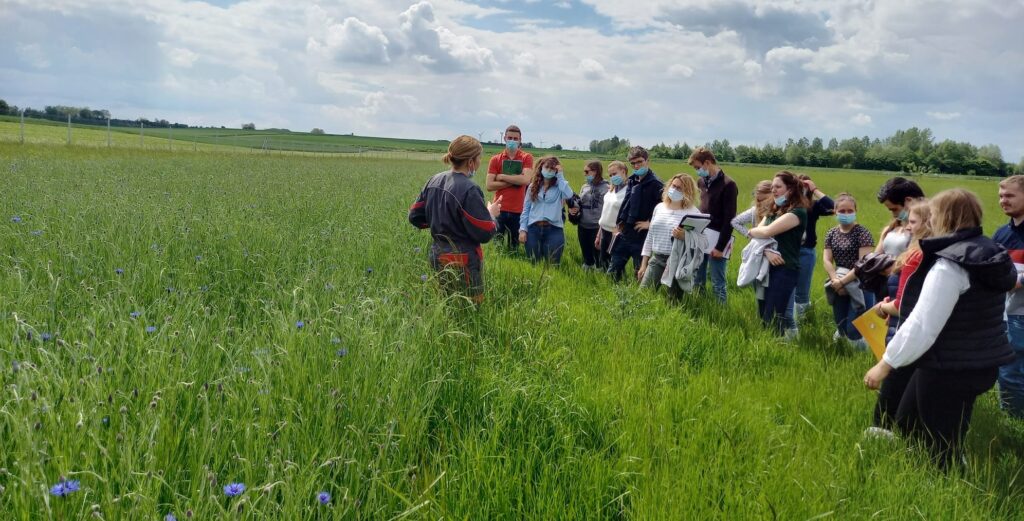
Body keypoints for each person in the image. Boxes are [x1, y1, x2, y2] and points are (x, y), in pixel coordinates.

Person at [863, 189, 1016, 470]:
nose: (929, 222)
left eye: (932, 215)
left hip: (948, 367)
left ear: (946, 218)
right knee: (909, 420)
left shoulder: (950, 265)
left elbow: (924, 323)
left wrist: (885, 364)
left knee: (940, 445)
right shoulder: (991, 252)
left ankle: (949, 484)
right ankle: (930, 470)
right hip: (980, 362)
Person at [409, 135, 502, 304]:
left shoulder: (434, 180)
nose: (481, 162)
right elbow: (484, 232)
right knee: (471, 308)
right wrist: (491, 214)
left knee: (446, 304)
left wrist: (439, 221)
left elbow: (415, 216)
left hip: (437, 255)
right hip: (463, 260)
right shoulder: (469, 189)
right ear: (470, 162)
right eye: (479, 158)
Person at [867, 198, 931, 435]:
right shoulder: (927, 252)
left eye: (912, 221)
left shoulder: (916, 255)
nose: (908, 227)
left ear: (927, 223)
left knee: (893, 382)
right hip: (912, 326)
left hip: (904, 326)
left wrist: (884, 308)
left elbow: (905, 303)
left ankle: (883, 432)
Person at [748, 171, 809, 335]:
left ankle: (778, 344)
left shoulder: (797, 213)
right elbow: (756, 233)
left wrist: (756, 231)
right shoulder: (773, 211)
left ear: (790, 189)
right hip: (765, 265)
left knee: (774, 315)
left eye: (778, 187)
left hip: (784, 268)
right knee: (762, 312)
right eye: (773, 186)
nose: (773, 190)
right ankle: (768, 345)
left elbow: (765, 231)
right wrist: (766, 250)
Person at [637, 174, 703, 298]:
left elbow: (701, 242)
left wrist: (685, 236)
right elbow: (650, 236)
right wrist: (643, 264)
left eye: (680, 188)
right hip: (657, 259)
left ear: (687, 192)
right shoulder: (659, 208)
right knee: (643, 295)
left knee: (673, 301)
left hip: (678, 261)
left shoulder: (693, 213)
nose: (675, 190)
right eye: (673, 186)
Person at [822, 193, 875, 343]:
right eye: (842, 211)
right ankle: (846, 351)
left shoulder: (862, 233)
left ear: (855, 211)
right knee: (841, 326)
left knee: (855, 330)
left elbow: (863, 264)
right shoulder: (831, 233)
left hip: (860, 283)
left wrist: (843, 282)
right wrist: (835, 280)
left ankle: (865, 348)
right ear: (835, 211)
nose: (846, 214)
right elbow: (826, 259)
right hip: (838, 281)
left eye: (850, 211)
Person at [689, 147, 738, 303]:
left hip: (718, 239)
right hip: (701, 236)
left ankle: (720, 312)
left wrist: (720, 246)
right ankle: (699, 306)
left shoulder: (728, 184)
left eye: (698, 167)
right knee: (698, 277)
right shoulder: (701, 181)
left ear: (708, 163)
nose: (697, 171)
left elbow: (730, 218)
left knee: (717, 281)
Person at [993, 175, 1024, 418]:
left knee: (1012, 374)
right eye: (1001, 195)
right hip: (1004, 313)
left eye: (1010, 195)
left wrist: (1017, 281)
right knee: (1007, 372)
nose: (1004, 200)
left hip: (1020, 316)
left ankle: (1014, 425)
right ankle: (1011, 423)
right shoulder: (1001, 234)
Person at [610, 146, 664, 281]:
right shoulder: (632, 180)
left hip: (642, 236)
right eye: (633, 163)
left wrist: (650, 223)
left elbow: (665, 209)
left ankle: (638, 299)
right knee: (613, 271)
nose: (636, 165)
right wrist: (620, 222)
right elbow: (626, 203)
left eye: (639, 161)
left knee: (639, 273)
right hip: (626, 231)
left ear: (647, 161)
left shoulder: (656, 184)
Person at [790, 174, 834, 321]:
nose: (801, 189)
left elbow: (834, 207)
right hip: (787, 250)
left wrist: (814, 189)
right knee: (787, 287)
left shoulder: (813, 206)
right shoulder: (787, 205)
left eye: (804, 187)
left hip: (805, 252)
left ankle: (802, 321)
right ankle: (788, 319)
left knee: (802, 289)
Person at [486, 125, 534, 253]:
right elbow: (489, 185)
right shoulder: (495, 159)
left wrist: (502, 177)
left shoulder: (526, 157)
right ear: (504, 138)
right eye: (510, 138)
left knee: (514, 248)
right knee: (498, 248)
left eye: (515, 138)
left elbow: (526, 180)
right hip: (499, 209)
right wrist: (515, 181)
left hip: (519, 210)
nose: (512, 141)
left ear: (520, 140)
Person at [519, 156, 573, 265]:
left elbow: (569, 194)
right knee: (534, 263)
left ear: (556, 170)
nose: (549, 170)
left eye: (552, 168)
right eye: (546, 167)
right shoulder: (532, 187)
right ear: (541, 168)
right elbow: (526, 209)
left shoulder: (560, 187)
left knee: (553, 264)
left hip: (554, 229)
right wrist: (523, 229)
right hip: (533, 229)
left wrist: (560, 176)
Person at [572, 160, 609, 270]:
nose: (585, 174)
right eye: (584, 172)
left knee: (599, 256)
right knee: (586, 255)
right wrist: (573, 208)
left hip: (597, 227)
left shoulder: (606, 187)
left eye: (587, 172)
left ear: (596, 171)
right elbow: (579, 202)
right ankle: (587, 275)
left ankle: (601, 276)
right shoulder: (585, 187)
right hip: (583, 225)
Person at [875, 177, 926, 258]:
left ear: (909, 201)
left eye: (895, 209)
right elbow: (874, 259)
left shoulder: (926, 231)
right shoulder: (889, 230)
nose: (894, 215)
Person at [596, 161, 628, 271]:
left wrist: (621, 229)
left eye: (614, 174)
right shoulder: (611, 189)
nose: (612, 177)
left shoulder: (628, 191)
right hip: (604, 231)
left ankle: (618, 287)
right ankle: (606, 285)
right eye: (610, 175)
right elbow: (605, 212)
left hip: (616, 233)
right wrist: (599, 234)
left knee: (615, 265)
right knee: (604, 262)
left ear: (623, 172)